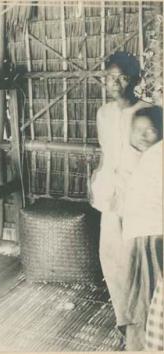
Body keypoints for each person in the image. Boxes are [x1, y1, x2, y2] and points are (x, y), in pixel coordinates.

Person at [89, 52, 151, 346]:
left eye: (122, 76)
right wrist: (97, 179)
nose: (115, 83)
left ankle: (142, 326)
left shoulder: (152, 112)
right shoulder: (103, 113)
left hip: (140, 199)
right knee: (110, 257)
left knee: (137, 261)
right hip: (110, 195)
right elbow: (107, 153)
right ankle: (124, 320)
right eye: (110, 77)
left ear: (137, 80)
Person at [122, 107, 163, 350]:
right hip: (146, 232)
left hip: (154, 235)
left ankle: (145, 343)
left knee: (149, 293)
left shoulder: (157, 155)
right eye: (138, 130)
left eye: (151, 130)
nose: (144, 135)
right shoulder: (149, 156)